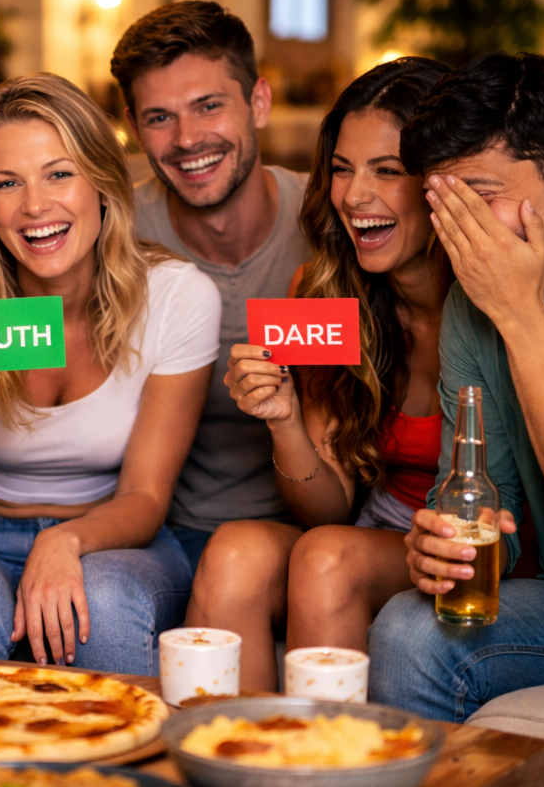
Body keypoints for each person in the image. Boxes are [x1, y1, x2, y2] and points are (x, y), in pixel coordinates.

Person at [0, 73, 221, 675]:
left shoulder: (177, 297)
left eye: (59, 173)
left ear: (101, 181)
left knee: (108, 601)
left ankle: (107, 770)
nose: (35, 206)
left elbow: (146, 497)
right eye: (7, 183)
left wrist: (65, 539)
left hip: (110, 531)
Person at [182, 57, 450, 689]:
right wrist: (284, 420)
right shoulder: (326, 291)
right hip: (370, 530)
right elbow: (325, 509)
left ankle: (329, 781)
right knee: (233, 554)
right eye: (341, 169)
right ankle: (237, 768)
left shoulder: (495, 296)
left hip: (476, 543)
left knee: (328, 560)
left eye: (388, 171)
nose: (355, 196)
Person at [368, 52, 544, 722]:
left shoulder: (500, 299)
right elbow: (474, 492)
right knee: (410, 630)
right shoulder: (474, 304)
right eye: (445, 205)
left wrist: (520, 315)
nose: (461, 234)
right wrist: (445, 545)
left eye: (482, 197)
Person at [110, 0, 310, 570]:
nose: (188, 138)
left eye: (209, 106)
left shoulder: (334, 223)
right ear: (133, 127)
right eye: (159, 117)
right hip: (159, 534)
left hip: (309, 531)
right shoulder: (111, 234)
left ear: (259, 103)